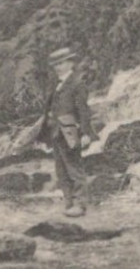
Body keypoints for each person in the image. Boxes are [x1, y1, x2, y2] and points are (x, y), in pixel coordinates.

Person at [38, 46, 100, 217]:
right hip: (56, 132)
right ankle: (69, 203)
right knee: (61, 171)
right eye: (55, 65)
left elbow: (83, 110)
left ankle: (80, 205)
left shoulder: (77, 83)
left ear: (70, 63)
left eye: (61, 64)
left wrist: (86, 133)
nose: (57, 67)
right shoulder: (57, 84)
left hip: (71, 131)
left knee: (75, 169)